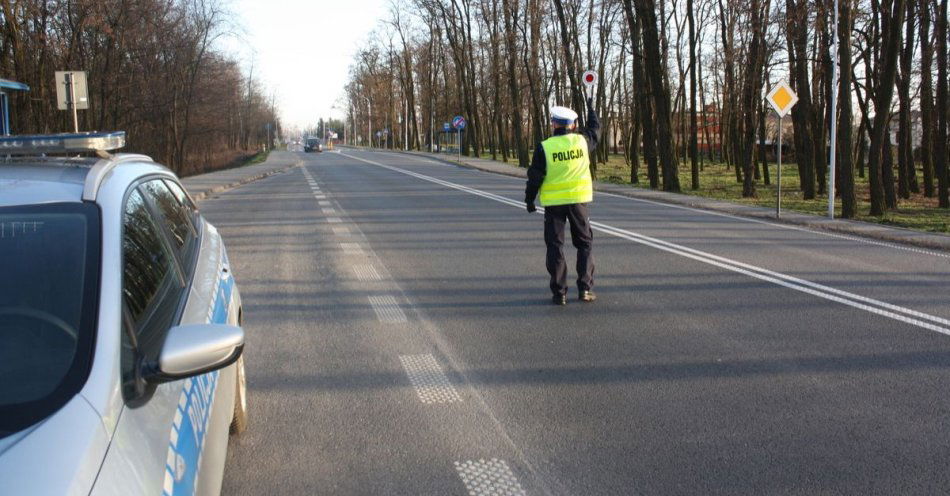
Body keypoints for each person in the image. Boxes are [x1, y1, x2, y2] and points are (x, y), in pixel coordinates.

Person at [524, 98, 601, 306]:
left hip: (554, 205)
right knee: (584, 244)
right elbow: (596, 130)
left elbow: (535, 177)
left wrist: (529, 199)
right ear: (573, 125)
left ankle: (560, 293)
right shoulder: (582, 142)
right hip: (578, 202)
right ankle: (585, 289)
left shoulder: (545, 147)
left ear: (553, 124)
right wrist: (591, 109)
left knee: (555, 246)